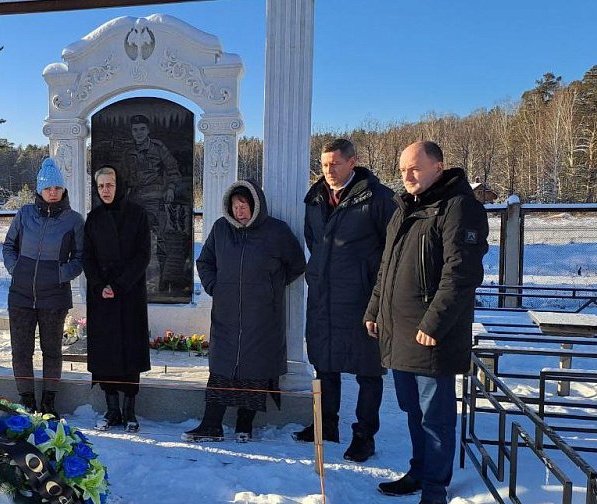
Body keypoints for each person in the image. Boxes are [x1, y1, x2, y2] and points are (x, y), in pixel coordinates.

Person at [364, 141, 489, 504]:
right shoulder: (406, 208)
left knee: (435, 418)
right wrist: (374, 309)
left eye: (415, 168)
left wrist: (433, 324)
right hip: (400, 332)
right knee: (412, 411)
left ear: (439, 166)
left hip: (431, 337)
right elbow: (387, 267)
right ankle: (418, 472)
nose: (407, 176)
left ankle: (434, 493)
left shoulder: (458, 207)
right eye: (402, 169)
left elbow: (461, 274)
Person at [293, 139, 396, 463]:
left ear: (353, 162)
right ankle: (326, 425)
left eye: (335, 164)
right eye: (324, 165)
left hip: (362, 299)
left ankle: (364, 437)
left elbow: (391, 250)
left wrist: (376, 295)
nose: (329, 171)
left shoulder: (377, 199)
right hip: (324, 296)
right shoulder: (314, 200)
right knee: (324, 365)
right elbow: (316, 243)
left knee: (369, 371)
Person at [185, 180, 305, 443]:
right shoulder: (220, 230)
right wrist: (214, 286)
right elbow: (204, 261)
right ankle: (211, 424)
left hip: (262, 315)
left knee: (254, 369)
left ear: (256, 205)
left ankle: (244, 425)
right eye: (235, 206)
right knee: (221, 368)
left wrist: (271, 286)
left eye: (244, 205)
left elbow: (296, 264)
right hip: (226, 314)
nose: (240, 210)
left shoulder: (276, 231)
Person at [2, 157, 84, 416]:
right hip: (21, 296)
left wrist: (60, 274)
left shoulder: (73, 220)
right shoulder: (24, 214)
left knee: (52, 351)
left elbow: (81, 257)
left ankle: (49, 402)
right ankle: (27, 400)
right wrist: (17, 269)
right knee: (21, 351)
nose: (52, 192)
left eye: (57, 188)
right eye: (48, 188)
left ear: (63, 191)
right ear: (39, 189)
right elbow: (8, 247)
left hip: (54, 297)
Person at [83, 166, 151, 432]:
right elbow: (87, 256)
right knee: (106, 355)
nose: (106, 191)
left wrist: (120, 285)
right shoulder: (94, 218)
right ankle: (111, 410)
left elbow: (142, 255)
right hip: (102, 298)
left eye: (109, 185)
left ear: (118, 185)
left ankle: (129, 412)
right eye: (101, 186)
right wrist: (100, 285)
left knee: (129, 353)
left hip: (129, 294)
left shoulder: (137, 215)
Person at [120, 114, 189, 296]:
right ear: (131, 132)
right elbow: (122, 180)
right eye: (135, 130)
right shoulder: (128, 154)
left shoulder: (158, 148)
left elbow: (174, 171)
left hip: (156, 199)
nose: (139, 133)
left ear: (148, 130)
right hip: (135, 201)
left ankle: (165, 283)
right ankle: (134, 283)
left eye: (142, 129)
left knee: (163, 243)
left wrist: (171, 189)